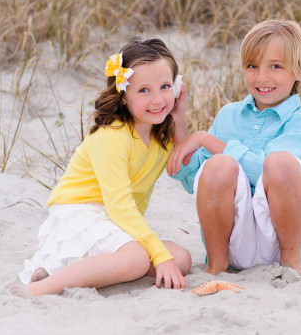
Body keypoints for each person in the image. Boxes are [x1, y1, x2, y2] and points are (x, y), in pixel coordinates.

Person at [18, 39, 193, 296]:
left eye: (165, 86)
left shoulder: (160, 137)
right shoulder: (112, 136)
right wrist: (157, 254)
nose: (157, 99)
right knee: (137, 259)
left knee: (181, 259)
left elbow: (184, 162)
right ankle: (40, 288)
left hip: (115, 219)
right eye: (143, 90)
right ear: (123, 96)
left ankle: (63, 267)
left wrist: (178, 116)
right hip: (81, 212)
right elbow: (119, 205)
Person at [169, 19, 301, 278]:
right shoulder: (229, 114)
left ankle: (293, 263)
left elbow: (262, 170)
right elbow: (194, 182)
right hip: (233, 241)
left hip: (282, 238)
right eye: (252, 66)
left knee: (280, 163)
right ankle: (216, 265)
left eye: (275, 66)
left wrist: (207, 139)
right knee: (219, 165)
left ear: (298, 70)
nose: (262, 77)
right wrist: (179, 123)